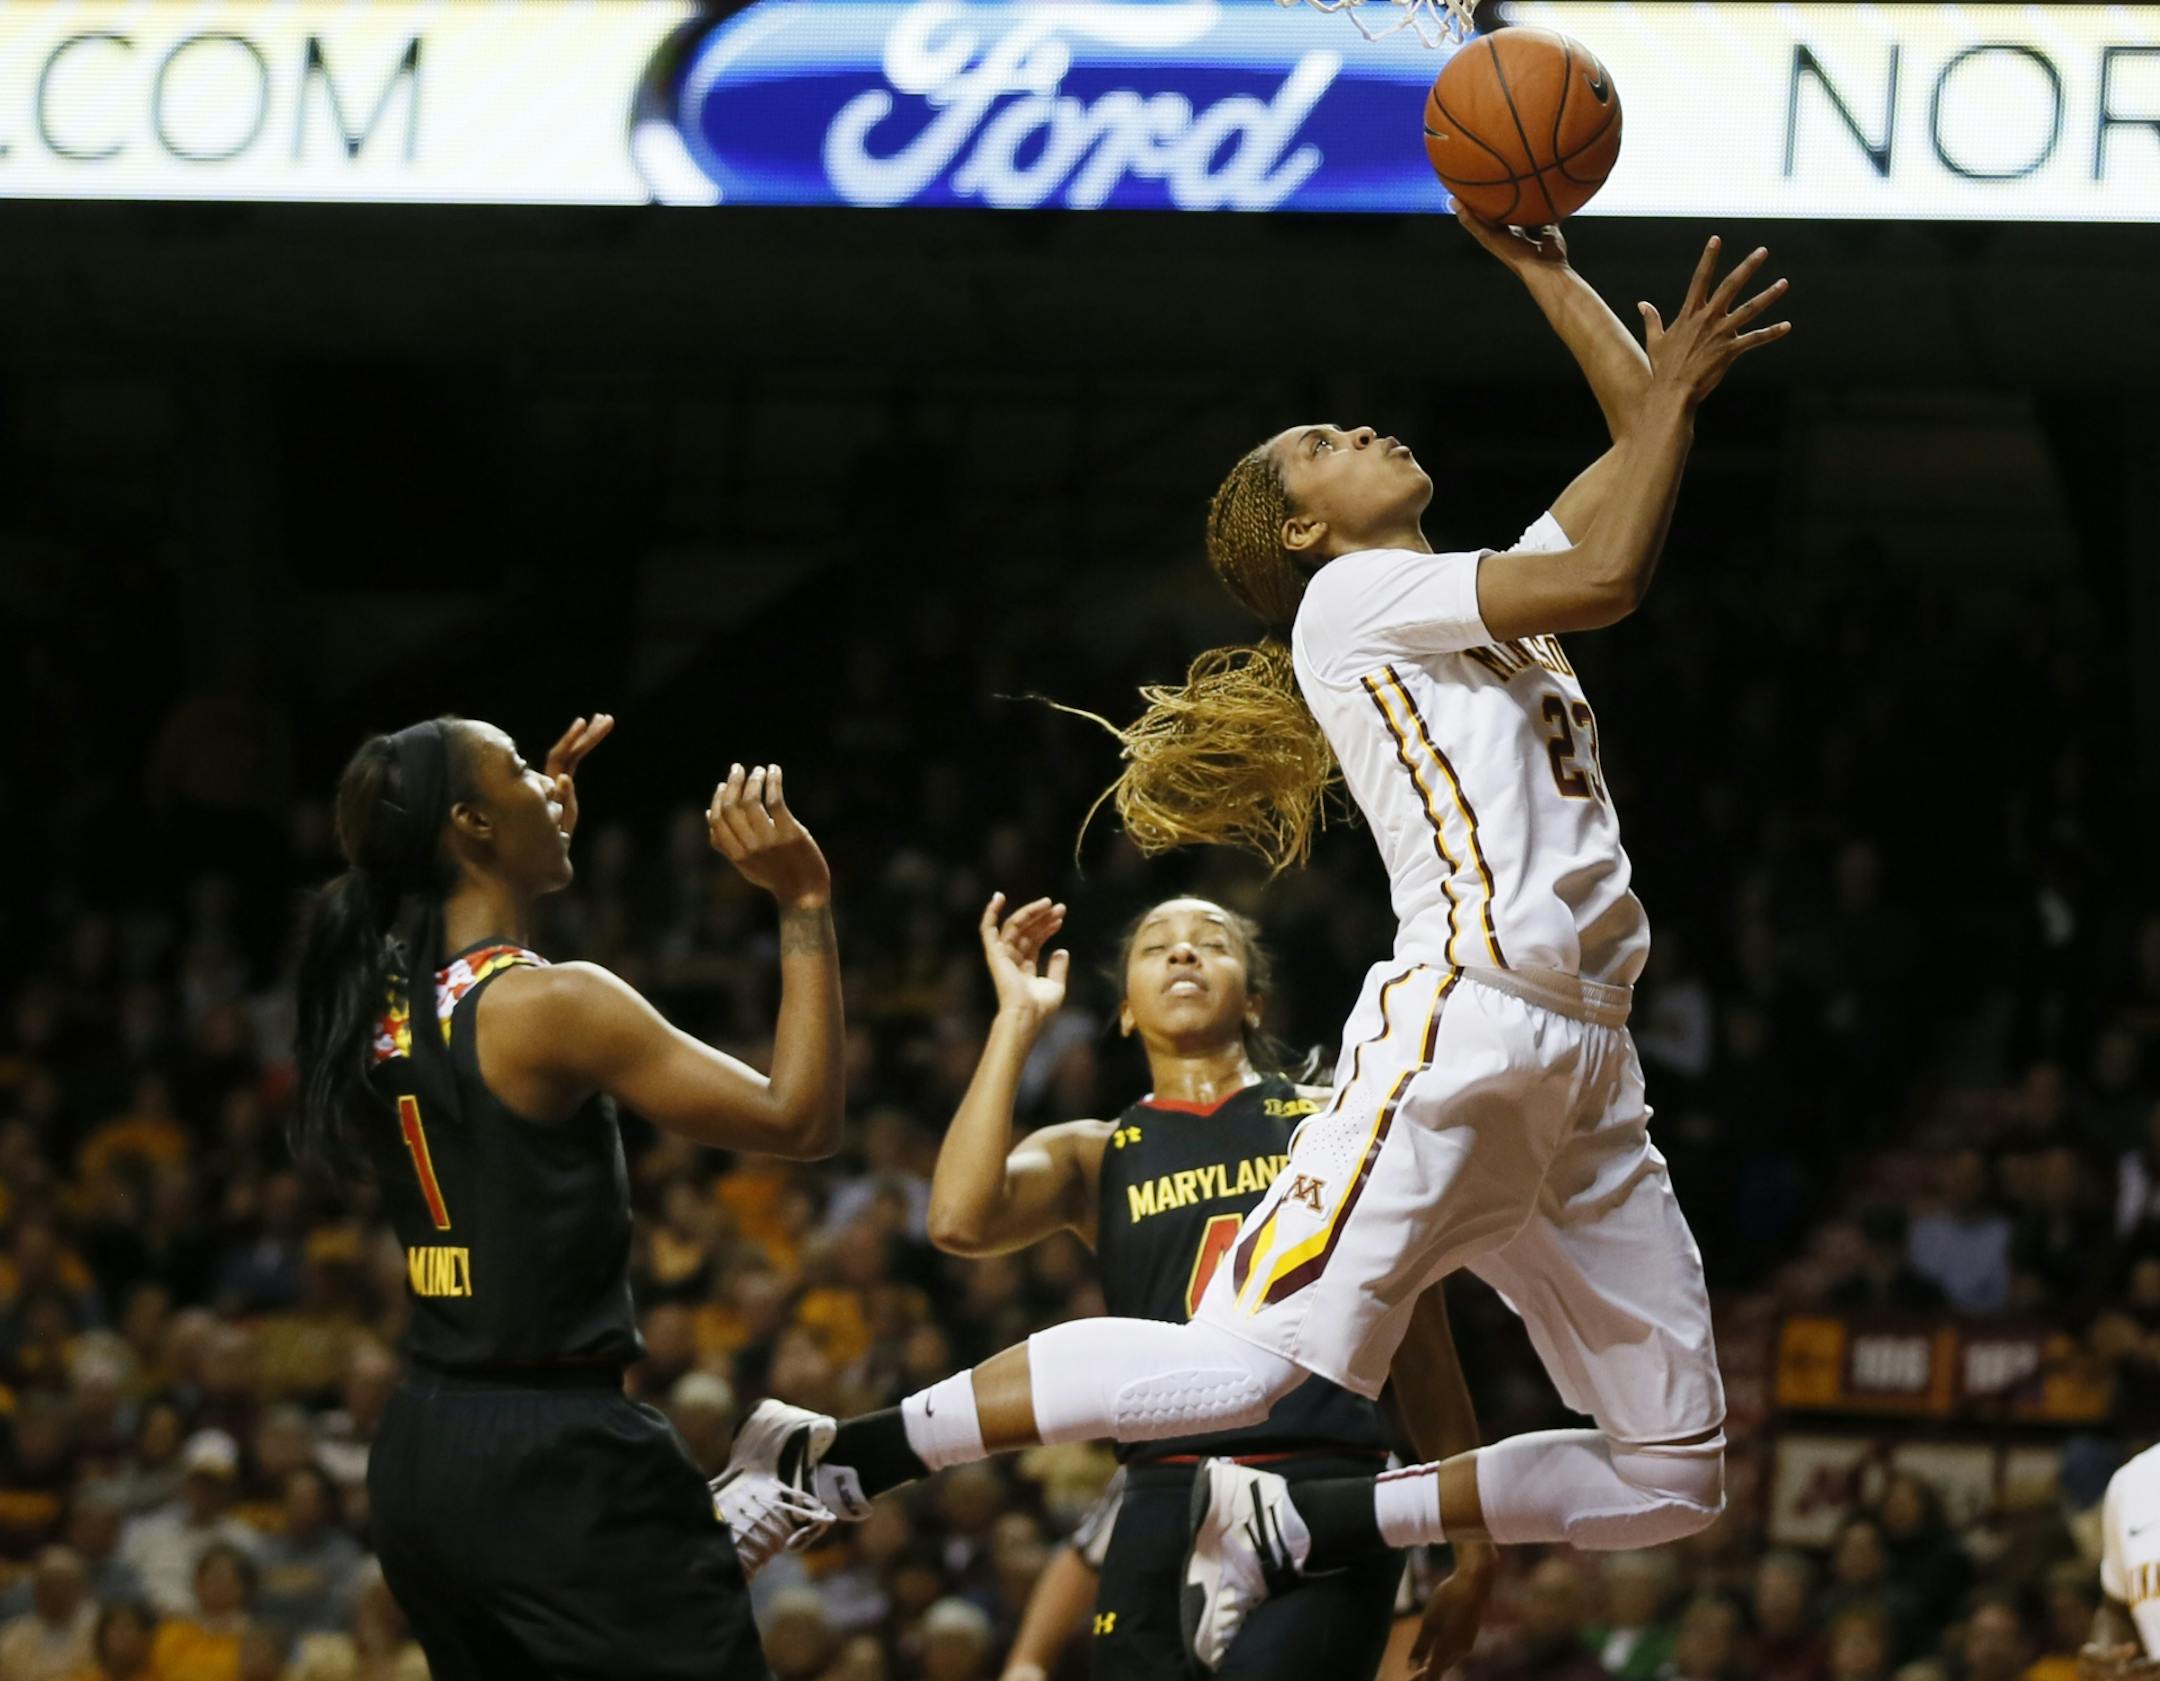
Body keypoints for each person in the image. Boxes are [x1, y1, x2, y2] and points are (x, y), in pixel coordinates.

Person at [718, 219, 1790, 1673]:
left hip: (1590, 1064)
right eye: (1321, 441)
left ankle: (1308, 1530)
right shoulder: (1351, 601)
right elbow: (1615, 565)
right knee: (1240, 1372)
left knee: (1672, 1480)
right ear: (1304, 527)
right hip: (1462, 1020)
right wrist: (1662, 393)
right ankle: (832, 1454)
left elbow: (1629, 446)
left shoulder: (1478, 591)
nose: (1361, 425)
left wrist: (1541, 265)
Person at [290, 714, 844, 1679]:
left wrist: (524, 837)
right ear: (467, 821)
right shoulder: (556, 1007)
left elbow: (476, 951)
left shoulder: (383, 994)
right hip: (553, 1457)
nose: (550, 786)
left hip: (424, 1451)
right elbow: (800, 1118)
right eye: (518, 772)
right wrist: (803, 898)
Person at [922, 892, 1492, 1680]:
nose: (1182, 952)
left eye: (1210, 941)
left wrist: (1476, 1537)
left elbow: (1423, 1347)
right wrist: (1016, 1020)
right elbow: (957, 1218)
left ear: (1254, 999)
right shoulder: (1097, 1153)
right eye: (1156, 945)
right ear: (1124, 1010)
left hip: (1322, 1480)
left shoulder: (1330, 1124)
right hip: (1164, 1489)